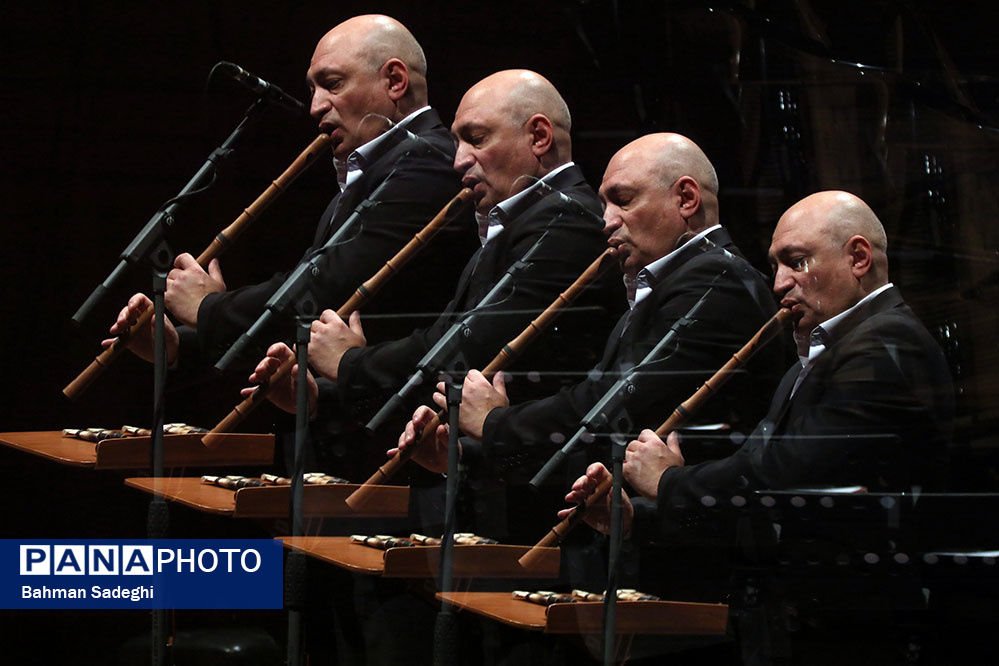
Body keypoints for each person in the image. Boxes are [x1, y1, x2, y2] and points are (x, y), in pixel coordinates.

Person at [562, 190, 956, 664]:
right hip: (809, 626)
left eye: (797, 262)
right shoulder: (820, 357)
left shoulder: (888, 343)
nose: (779, 283)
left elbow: (783, 476)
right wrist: (634, 518)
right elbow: (753, 485)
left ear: (858, 258)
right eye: (775, 266)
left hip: (869, 634)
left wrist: (668, 482)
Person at [249, 69, 623, 451]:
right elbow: (449, 337)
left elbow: (467, 346)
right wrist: (319, 396)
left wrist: (350, 364)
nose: (459, 160)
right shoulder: (525, 220)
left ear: (539, 137)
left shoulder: (568, 221)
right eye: (458, 142)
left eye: (476, 139)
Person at [398, 133, 788, 495]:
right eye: (604, 205)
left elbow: (613, 402)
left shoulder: (717, 280)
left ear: (686, 199)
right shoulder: (679, 282)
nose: (607, 221)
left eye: (624, 200)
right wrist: (463, 455)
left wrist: (495, 423)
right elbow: (603, 430)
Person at [105, 14, 476, 371]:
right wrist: (179, 344)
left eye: (333, 84)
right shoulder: (373, 172)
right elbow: (308, 322)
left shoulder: (431, 161)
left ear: (394, 81)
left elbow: (325, 284)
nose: (315, 107)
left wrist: (209, 309)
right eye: (312, 90)